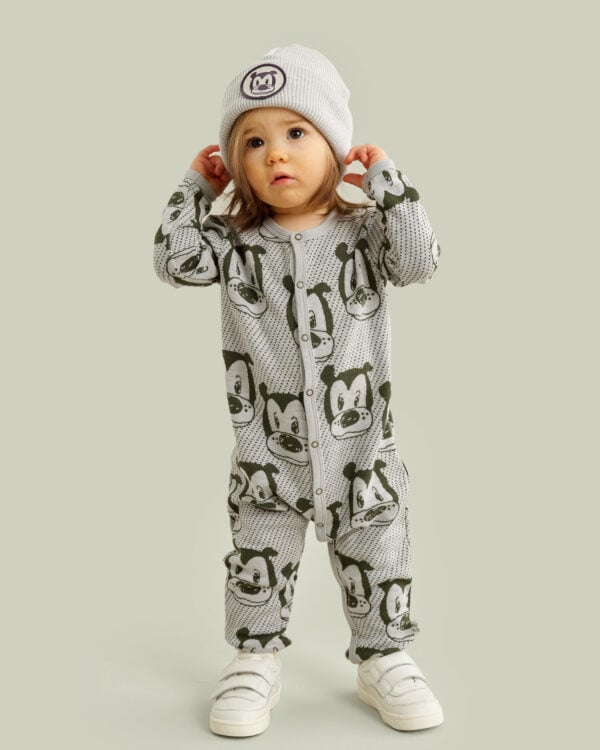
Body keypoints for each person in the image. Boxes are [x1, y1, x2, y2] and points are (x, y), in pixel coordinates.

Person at [153, 43, 444, 738]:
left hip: (362, 455)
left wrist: (389, 181)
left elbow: (420, 260)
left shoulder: (366, 233)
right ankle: (255, 661)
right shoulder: (233, 243)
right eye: (252, 142)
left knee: (379, 557)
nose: (275, 153)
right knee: (257, 559)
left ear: (335, 145)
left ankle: (385, 657)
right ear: (236, 163)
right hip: (268, 456)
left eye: (295, 132)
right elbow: (172, 259)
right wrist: (195, 187)